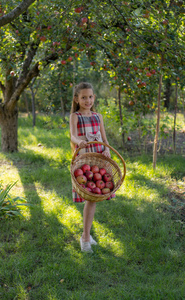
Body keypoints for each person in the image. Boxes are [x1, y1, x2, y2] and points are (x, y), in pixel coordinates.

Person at [70, 82, 114, 253]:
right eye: (83, 97)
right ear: (77, 99)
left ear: (94, 97)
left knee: (93, 198)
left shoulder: (98, 116)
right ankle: (85, 238)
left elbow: (104, 138)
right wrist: (79, 142)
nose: (87, 100)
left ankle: (86, 235)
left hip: (98, 160)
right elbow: (73, 135)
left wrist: (107, 150)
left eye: (90, 97)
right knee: (90, 199)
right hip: (84, 160)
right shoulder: (75, 116)